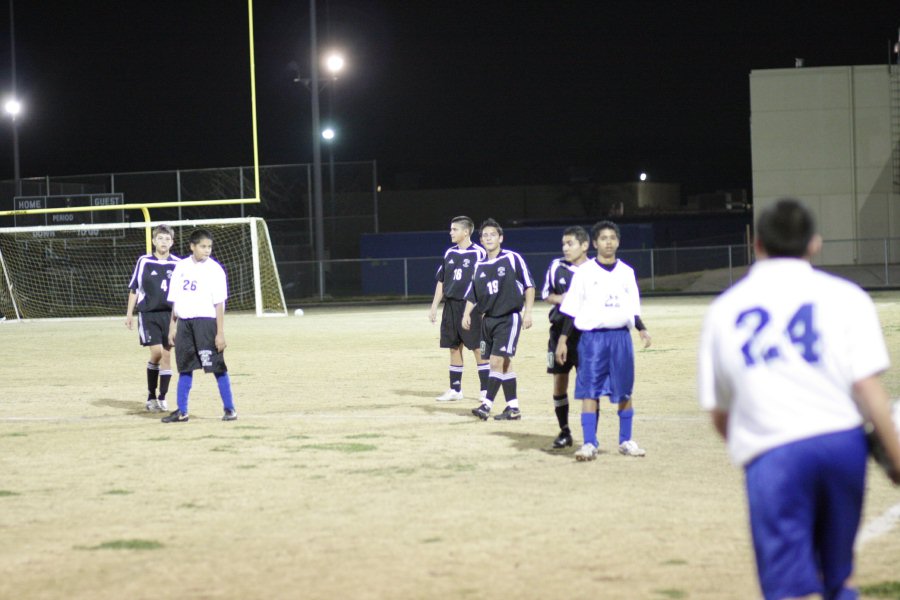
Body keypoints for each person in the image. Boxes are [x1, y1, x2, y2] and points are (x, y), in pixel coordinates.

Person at [698, 198, 900, 600]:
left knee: (788, 588)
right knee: (837, 580)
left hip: (775, 452)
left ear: (756, 244)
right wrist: (896, 459)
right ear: (814, 244)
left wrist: (756, 450)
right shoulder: (847, 296)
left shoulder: (725, 309)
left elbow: (721, 416)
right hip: (842, 446)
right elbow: (869, 392)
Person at [555, 220, 652, 461]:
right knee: (590, 390)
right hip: (593, 340)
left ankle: (626, 440)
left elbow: (632, 308)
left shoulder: (627, 272)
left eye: (612, 238)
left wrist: (641, 329)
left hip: (621, 338)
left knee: (624, 390)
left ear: (617, 242)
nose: (608, 242)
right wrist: (563, 340)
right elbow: (572, 309)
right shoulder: (585, 273)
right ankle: (589, 443)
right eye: (603, 238)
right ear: (595, 243)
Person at [161, 228, 237, 423]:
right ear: (192, 246)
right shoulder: (181, 267)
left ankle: (230, 409)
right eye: (203, 246)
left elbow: (219, 303)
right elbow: (175, 300)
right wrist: (172, 326)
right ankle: (182, 411)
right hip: (185, 323)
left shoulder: (215, 269)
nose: (207, 250)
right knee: (185, 367)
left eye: (209, 246)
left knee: (217, 367)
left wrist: (220, 333)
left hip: (206, 323)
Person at [462, 218, 535, 420]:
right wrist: (467, 313)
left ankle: (486, 405)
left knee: (495, 361)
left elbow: (529, 285)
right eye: (485, 235)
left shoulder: (512, 258)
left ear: (500, 238)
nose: (488, 238)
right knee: (503, 363)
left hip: (508, 318)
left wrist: (527, 312)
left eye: (492, 234)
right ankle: (513, 408)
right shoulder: (480, 265)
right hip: (488, 320)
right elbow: (473, 294)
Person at [429, 216, 490, 402]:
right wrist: (434, 306)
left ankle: (485, 390)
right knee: (453, 347)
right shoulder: (449, 253)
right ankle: (455, 390)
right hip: (451, 306)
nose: (451, 232)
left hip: (470, 307)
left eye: (454, 229)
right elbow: (442, 280)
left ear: (466, 232)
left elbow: (485, 282)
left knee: (478, 349)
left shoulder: (479, 253)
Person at [542, 225, 590, 448]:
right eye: (563, 244)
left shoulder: (594, 270)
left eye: (570, 244)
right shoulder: (556, 266)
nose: (565, 248)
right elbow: (546, 294)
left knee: (587, 386)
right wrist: (565, 300)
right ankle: (565, 431)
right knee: (559, 384)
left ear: (585, 245)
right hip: (557, 333)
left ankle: (589, 436)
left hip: (584, 335)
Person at [125, 224, 180, 412]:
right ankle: (150, 395)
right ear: (153, 241)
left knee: (167, 356)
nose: (164, 242)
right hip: (148, 314)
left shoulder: (178, 264)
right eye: (160, 238)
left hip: (170, 316)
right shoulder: (144, 261)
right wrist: (129, 314)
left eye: (167, 239)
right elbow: (135, 288)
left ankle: (162, 398)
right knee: (156, 353)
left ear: (172, 242)